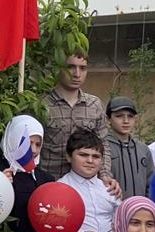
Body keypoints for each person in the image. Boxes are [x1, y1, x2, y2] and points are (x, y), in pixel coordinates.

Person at [39, 52, 117, 192]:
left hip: (86, 188)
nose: (77, 74)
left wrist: (105, 175)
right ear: (59, 68)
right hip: (50, 184)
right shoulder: (41, 105)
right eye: (71, 67)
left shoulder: (94, 104)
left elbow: (103, 143)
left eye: (82, 68)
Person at [0, 115, 55, 232]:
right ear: (13, 140)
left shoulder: (46, 179)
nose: (33, 150)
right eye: (27, 143)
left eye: (38, 144)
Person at [57, 128, 118, 232]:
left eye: (96, 156)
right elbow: (52, 228)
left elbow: (120, 221)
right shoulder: (60, 188)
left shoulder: (109, 188)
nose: (90, 161)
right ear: (69, 157)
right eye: (83, 155)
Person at [104, 96, 154, 199]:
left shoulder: (143, 149)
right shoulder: (102, 147)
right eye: (119, 116)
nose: (126, 121)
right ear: (108, 119)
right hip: (111, 210)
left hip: (140, 210)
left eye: (130, 116)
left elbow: (151, 183)